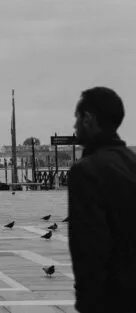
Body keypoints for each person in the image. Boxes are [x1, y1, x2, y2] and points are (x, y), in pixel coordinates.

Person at [68, 87, 136, 313]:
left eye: (77, 118)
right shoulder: (132, 163)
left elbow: (89, 250)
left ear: (88, 118)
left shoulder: (86, 171)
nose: (74, 125)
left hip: (110, 298)